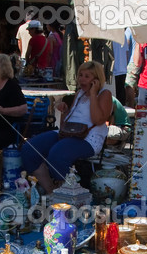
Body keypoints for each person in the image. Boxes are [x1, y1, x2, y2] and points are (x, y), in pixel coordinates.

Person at [21, 61, 112, 193]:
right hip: (70, 134)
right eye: (80, 75)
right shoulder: (80, 93)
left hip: (89, 139)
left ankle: (68, 192)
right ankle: (51, 190)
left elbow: (98, 120)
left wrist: (93, 94)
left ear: (96, 79)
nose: (82, 79)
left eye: (87, 76)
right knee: (30, 148)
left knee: (57, 154)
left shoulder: (104, 94)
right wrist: (64, 111)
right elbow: (65, 125)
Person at [111, 27, 135, 106]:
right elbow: (126, 53)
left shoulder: (108, 35)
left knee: (113, 100)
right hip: (122, 69)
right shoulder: (122, 34)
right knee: (121, 99)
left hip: (113, 71)